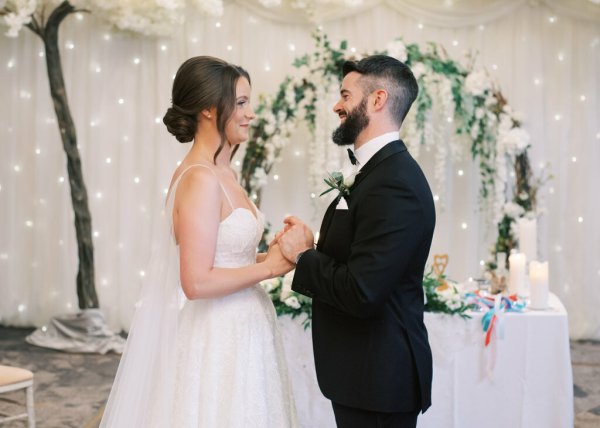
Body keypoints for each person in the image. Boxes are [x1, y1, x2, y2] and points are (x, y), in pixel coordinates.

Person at [100, 56, 298, 427]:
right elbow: (195, 281)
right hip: (217, 336)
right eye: (240, 103)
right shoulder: (199, 178)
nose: (250, 113)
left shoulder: (224, 171)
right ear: (209, 110)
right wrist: (270, 268)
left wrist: (273, 255)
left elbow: (225, 256)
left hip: (245, 330)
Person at [277, 55, 435, 428]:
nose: (337, 105)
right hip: (363, 376)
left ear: (377, 100)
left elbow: (363, 291)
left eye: (345, 95)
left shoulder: (395, 183)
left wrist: (304, 255)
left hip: (379, 381)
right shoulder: (377, 172)